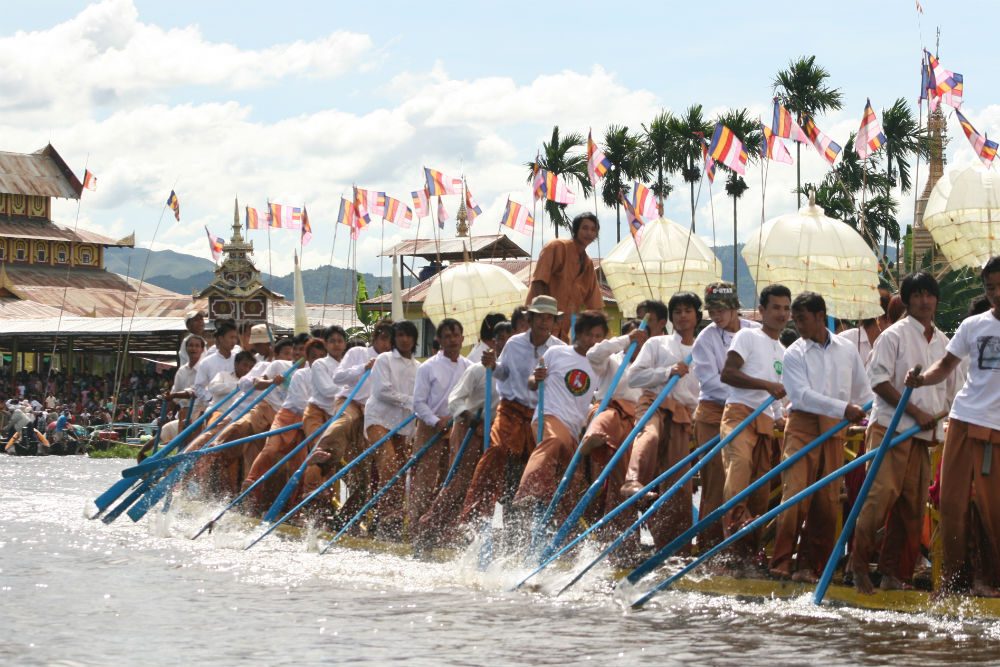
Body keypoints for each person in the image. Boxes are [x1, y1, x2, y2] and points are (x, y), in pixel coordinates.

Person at [850, 271, 959, 594]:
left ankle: (894, 574)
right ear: (908, 300)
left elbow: (951, 391)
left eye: (929, 295)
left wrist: (935, 420)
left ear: (936, 299)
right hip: (891, 429)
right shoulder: (893, 335)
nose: (925, 301)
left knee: (912, 509)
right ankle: (858, 569)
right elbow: (879, 382)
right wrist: (915, 412)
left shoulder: (944, 343)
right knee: (878, 499)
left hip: (923, 437)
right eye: (918, 295)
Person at [904, 256, 1000, 596]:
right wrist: (920, 380)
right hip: (963, 419)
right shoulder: (974, 326)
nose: (996, 294)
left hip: (996, 430)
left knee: (992, 509)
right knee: (952, 503)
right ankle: (955, 581)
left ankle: (990, 580)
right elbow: (944, 366)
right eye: (990, 288)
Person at [769, 292, 873, 583]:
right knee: (794, 494)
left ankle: (809, 566)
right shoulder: (794, 353)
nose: (798, 324)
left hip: (835, 431)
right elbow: (801, 395)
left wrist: (866, 417)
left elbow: (864, 394)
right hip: (803, 426)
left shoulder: (847, 350)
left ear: (819, 316)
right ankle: (780, 562)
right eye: (795, 319)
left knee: (826, 501)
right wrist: (843, 409)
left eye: (802, 318)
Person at [461, 296, 564, 526]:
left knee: (541, 466)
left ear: (554, 322)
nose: (544, 323)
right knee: (496, 451)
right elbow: (503, 373)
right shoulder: (514, 343)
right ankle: (476, 515)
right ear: (531, 318)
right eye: (540, 317)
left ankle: (542, 523)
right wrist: (492, 365)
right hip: (511, 410)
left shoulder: (560, 349)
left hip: (541, 413)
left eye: (549, 318)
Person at [416, 320, 512, 549]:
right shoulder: (477, 369)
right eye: (503, 341)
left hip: (495, 433)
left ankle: (470, 534)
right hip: (469, 430)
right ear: (495, 343)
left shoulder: (514, 373)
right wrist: (469, 418)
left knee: (488, 485)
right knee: (461, 482)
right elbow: (455, 400)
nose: (507, 346)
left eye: (512, 341)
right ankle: (428, 528)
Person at [719, 283, 791, 569]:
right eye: (775, 308)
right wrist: (765, 386)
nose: (782, 314)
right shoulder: (747, 337)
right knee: (740, 465)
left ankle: (749, 555)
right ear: (762, 310)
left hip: (764, 422)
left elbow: (773, 398)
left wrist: (779, 414)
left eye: (786, 308)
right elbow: (728, 374)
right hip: (738, 414)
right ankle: (734, 530)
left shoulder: (783, 351)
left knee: (761, 491)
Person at [623, 292, 702, 551]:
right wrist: (668, 372)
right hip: (654, 403)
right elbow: (634, 378)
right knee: (650, 436)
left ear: (697, 316)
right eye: (677, 311)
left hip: (682, 416)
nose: (682, 316)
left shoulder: (704, 351)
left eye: (687, 311)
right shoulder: (658, 344)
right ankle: (632, 480)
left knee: (679, 481)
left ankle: (673, 547)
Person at [513, 310, 607, 524]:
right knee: (555, 441)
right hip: (548, 416)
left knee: (571, 483)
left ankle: (562, 536)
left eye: (598, 336)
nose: (592, 341)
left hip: (574, 429)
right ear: (578, 333)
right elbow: (531, 382)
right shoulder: (557, 353)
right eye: (588, 335)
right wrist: (536, 378)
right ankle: (528, 491)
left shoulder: (602, 364)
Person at [301, 320, 393, 524]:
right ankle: (314, 481)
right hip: (349, 403)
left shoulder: (393, 360)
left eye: (390, 339)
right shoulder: (357, 353)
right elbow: (338, 378)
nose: (386, 343)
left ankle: (348, 517)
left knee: (364, 473)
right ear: (375, 338)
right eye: (383, 337)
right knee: (344, 424)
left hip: (372, 413)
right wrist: (364, 367)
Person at [690, 281, 760, 548]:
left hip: (754, 411)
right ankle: (710, 546)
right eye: (712, 311)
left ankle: (749, 546)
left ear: (734, 308)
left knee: (756, 477)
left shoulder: (756, 332)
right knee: (718, 480)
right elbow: (710, 383)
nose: (716, 316)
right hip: (714, 412)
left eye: (721, 309)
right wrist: (746, 394)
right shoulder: (705, 339)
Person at [580, 316, 649, 538]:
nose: (638, 344)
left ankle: (621, 535)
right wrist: (625, 340)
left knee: (623, 477)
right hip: (608, 411)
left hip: (633, 423)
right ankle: (590, 441)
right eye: (634, 338)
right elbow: (593, 354)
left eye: (642, 339)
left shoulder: (651, 364)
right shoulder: (613, 360)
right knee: (603, 422)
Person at [242, 339, 327, 513]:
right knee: (271, 449)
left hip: (306, 424)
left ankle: (294, 509)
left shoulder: (329, 376)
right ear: (307, 358)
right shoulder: (300, 374)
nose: (317, 361)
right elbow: (301, 402)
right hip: (288, 418)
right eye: (313, 357)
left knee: (300, 467)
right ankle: (251, 484)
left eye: (321, 357)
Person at [409, 318, 471, 531]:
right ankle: (416, 527)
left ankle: (443, 528)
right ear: (439, 340)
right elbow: (418, 402)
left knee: (451, 478)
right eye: (447, 336)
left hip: (457, 426)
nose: (453, 340)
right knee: (425, 479)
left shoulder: (469, 367)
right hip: (430, 426)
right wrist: (436, 421)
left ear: (463, 338)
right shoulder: (428, 367)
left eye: (456, 335)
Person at [365, 321, 421, 540]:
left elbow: (421, 398)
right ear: (394, 339)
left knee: (399, 472)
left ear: (415, 339)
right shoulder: (384, 359)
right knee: (388, 462)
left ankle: (389, 517)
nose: (404, 340)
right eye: (400, 335)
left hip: (403, 425)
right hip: (378, 419)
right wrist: (411, 401)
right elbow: (382, 391)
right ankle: (387, 514)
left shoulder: (419, 368)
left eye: (409, 336)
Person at [525, 212, 604, 341]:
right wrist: (545, 314)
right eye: (585, 228)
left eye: (593, 229)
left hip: (563, 333)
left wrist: (601, 332)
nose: (589, 233)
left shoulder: (588, 264)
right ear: (575, 229)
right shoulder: (556, 247)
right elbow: (539, 281)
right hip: (538, 324)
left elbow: (595, 304)